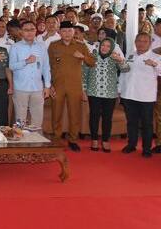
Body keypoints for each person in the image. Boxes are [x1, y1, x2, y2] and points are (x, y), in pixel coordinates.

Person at [48, 21, 95, 152]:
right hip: (57, 85)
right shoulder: (53, 46)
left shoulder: (81, 46)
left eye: (70, 31)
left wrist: (83, 57)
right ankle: (57, 138)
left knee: (74, 114)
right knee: (56, 114)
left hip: (75, 85)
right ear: (59, 32)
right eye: (64, 31)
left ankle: (73, 139)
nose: (67, 33)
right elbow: (48, 66)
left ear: (74, 32)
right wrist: (49, 84)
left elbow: (92, 62)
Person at [82, 37, 129, 153]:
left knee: (107, 118)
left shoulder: (114, 57)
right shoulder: (92, 56)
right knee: (94, 116)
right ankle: (94, 139)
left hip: (110, 93)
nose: (105, 48)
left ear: (112, 47)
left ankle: (105, 141)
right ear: (100, 45)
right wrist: (83, 90)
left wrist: (120, 59)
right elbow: (84, 74)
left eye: (108, 46)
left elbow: (126, 69)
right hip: (93, 92)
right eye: (103, 45)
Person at [120, 32, 161, 158]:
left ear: (150, 43)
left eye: (145, 41)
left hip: (146, 96)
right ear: (135, 42)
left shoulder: (156, 57)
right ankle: (131, 145)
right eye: (139, 41)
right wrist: (120, 90)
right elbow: (124, 73)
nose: (141, 44)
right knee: (131, 122)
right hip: (129, 94)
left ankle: (146, 149)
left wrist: (155, 65)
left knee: (147, 124)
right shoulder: (130, 55)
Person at [8, 21, 51, 128]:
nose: (29, 32)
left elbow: (46, 67)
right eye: (26, 30)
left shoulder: (42, 47)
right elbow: (12, 66)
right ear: (21, 32)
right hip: (21, 87)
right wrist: (26, 61)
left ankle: (36, 141)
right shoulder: (15, 47)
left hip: (37, 87)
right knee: (20, 118)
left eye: (32, 29)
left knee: (37, 117)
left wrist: (47, 86)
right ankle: (20, 141)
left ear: (36, 31)